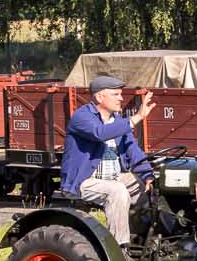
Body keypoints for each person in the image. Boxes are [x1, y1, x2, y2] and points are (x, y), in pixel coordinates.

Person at [62, 75, 157, 244]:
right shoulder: (82, 117)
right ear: (100, 97)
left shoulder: (117, 121)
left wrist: (148, 175)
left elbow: (132, 149)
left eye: (121, 94)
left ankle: (144, 239)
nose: (121, 98)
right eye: (116, 94)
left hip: (113, 177)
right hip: (84, 181)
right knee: (117, 191)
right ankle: (120, 247)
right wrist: (137, 117)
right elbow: (100, 133)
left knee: (149, 189)